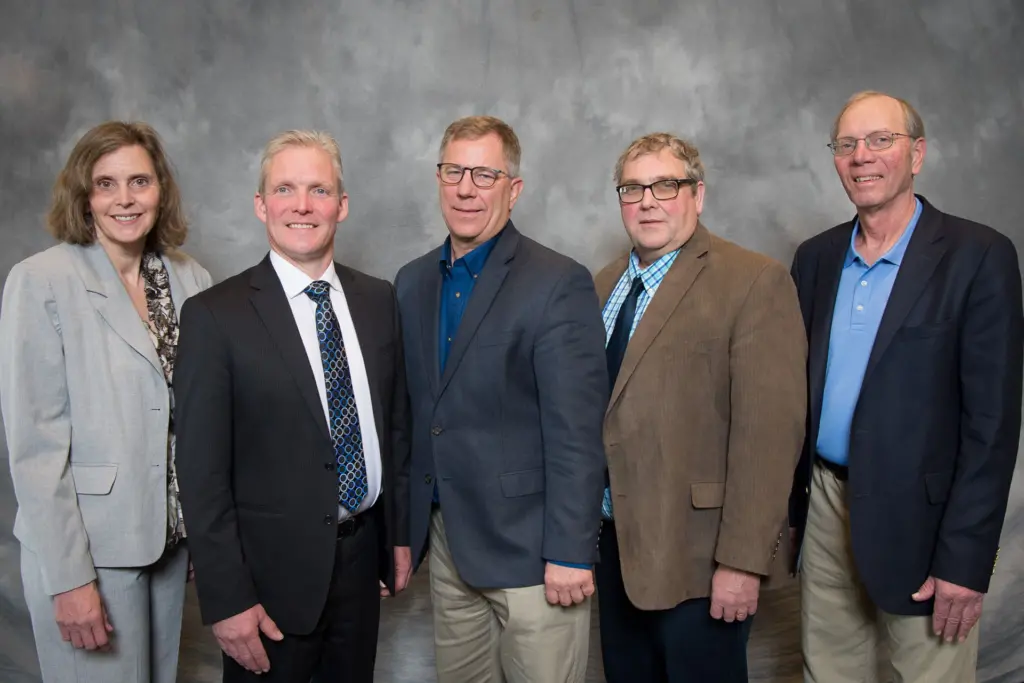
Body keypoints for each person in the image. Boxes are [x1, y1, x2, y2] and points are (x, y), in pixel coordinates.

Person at [788, 91, 1023, 683]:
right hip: (825, 505)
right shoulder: (814, 259)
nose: (861, 157)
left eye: (879, 140)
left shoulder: (980, 256)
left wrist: (965, 562)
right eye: (846, 145)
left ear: (916, 154)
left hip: (926, 523)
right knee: (828, 672)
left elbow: (992, 429)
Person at [173, 129, 411, 683]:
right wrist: (227, 598)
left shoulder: (378, 300)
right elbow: (201, 474)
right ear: (261, 205)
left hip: (361, 566)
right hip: (268, 585)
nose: (302, 205)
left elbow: (395, 428)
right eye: (284, 189)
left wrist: (397, 537)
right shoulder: (214, 315)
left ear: (341, 205)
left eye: (319, 190)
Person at [393, 115, 607, 683]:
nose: (466, 188)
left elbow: (577, 433)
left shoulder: (557, 281)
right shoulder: (411, 283)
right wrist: (404, 532)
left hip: (534, 555)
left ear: (513, 190)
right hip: (448, 547)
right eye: (453, 171)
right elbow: (414, 419)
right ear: (439, 179)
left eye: (484, 175)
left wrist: (570, 549)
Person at [0, 121, 211, 682]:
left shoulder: (190, 279)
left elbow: (201, 416)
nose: (124, 199)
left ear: (159, 189)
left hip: (169, 543)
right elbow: (36, 447)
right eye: (106, 183)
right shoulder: (41, 281)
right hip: (90, 549)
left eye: (139, 181)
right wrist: (69, 580)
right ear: (83, 195)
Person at [592, 132, 806, 682]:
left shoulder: (753, 281)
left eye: (666, 185)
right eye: (633, 188)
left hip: (701, 557)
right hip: (616, 549)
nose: (647, 200)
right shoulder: (602, 285)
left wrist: (742, 561)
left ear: (698, 194)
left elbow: (770, 436)